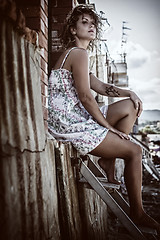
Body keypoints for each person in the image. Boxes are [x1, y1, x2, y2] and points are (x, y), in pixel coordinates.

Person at [48, 4, 160, 232]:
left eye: (93, 23)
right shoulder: (78, 53)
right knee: (135, 151)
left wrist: (130, 92)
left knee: (131, 106)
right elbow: (86, 97)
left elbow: (100, 86)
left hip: (74, 117)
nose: (91, 27)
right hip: (70, 123)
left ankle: (108, 160)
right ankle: (137, 212)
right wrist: (109, 128)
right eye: (84, 22)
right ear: (72, 29)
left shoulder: (76, 55)